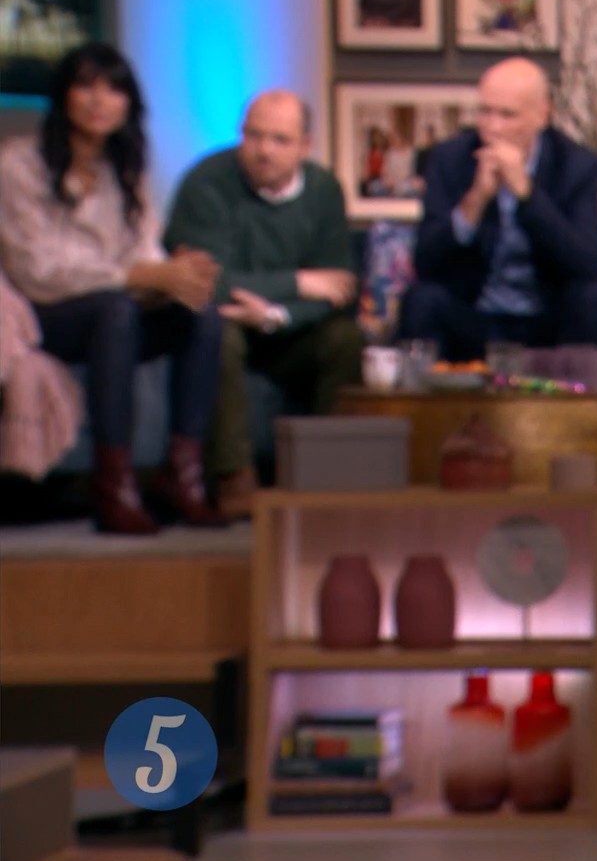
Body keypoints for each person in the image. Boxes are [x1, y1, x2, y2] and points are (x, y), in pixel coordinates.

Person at [0, 42, 225, 534]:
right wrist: (139, 277)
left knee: (200, 314)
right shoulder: (19, 164)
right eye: (85, 86)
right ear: (64, 96)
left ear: (129, 104)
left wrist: (177, 274)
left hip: (110, 314)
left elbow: (144, 252)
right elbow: (37, 270)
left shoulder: (125, 169)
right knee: (116, 310)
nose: (99, 100)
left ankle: (183, 476)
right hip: (42, 315)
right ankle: (113, 485)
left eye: (113, 89)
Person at [164, 90, 364, 517]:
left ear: (305, 146)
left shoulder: (324, 190)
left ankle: (326, 476)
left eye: (279, 140)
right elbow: (202, 282)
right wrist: (297, 282)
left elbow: (338, 288)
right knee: (217, 333)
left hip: (290, 329)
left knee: (345, 339)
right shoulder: (207, 182)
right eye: (253, 136)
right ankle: (234, 477)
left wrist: (276, 314)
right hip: (227, 322)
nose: (263, 151)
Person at [398, 57, 597, 362]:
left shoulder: (577, 166)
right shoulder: (450, 159)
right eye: (485, 112)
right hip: (475, 314)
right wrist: (477, 198)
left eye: (507, 115)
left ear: (542, 115)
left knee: (591, 297)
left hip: (546, 317)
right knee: (422, 299)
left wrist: (526, 193)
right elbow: (426, 261)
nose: (492, 127)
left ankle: (579, 393)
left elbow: (584, 262)